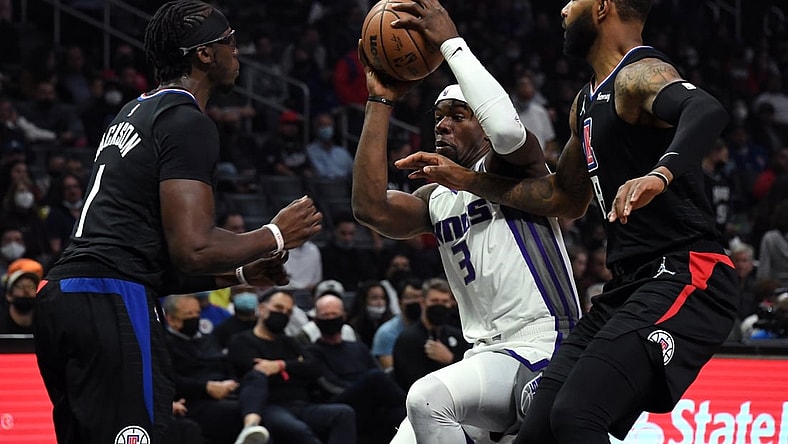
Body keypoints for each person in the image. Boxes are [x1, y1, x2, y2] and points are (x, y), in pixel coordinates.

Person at [394, 1, 740, 442]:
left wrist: (660, 173)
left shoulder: (639, 73)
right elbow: (563, 198)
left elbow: (705, 109)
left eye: (572, 0)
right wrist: (466, 180)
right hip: (627, 285)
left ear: (601, 7)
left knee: (577, 415)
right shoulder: (586, 101)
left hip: (687, 272)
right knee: (542, 425)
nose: (560, 10)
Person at [33, 2, 323, 443]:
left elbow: (151, 258)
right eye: (229, 40)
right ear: (203, 54)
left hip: (66, 296)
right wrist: (275, 233)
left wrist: (241, 271)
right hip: (111, 300)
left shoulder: (135, 111)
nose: (237, 50)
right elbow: (194, 248)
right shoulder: (187, 121)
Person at [352, 1, 580, 441]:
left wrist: (452, 44)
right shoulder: (435, 198)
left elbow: (510, 133)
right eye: (438, 118)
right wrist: (380, 100)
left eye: (458, 116)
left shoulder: (519, 169)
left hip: (545, 343)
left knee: (426, 399)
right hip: (486, 354)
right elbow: (370, 209)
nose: (443, 126)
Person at [227, 289, 357, 444]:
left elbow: (314, 367)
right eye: (278, 308)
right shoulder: (242, 341)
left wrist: (280, 366)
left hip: (302, 404)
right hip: (270, 406)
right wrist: (297, 368)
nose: (283, 314)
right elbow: (256, 374)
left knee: (343, 413)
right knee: (298, 430)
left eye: (288, 312)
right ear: (262, 309)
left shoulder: (289, 342)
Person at [163, 294, 270, 444]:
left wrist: (231, 382)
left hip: (226, 390)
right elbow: (169, 380)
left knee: (256, 376)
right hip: (196, 400)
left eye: (197, 313)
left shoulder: (208, 339)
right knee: (244, 411)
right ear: (171, 319)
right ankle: (250, 426)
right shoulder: (163, 344)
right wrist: (206, 388)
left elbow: (226, 365)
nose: (195, 317)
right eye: (189, 314)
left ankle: (250, 425)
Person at [307, 294, 407, 444]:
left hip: (370, 401)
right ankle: (414, 405)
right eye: (325, 315)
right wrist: (364, 389)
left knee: (400, 414)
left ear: (343, 316)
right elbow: (329, 385)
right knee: (374, 378)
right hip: (339, 401)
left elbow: (381, 375)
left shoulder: (358, 348)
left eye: (334, 314)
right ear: (316, 321)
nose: (330, 319)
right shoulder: (312, 352)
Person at [391, 278, 469, 391]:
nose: (440, 306)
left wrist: (450, 360)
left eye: (444, 302)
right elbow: (414, 383)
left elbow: (467, 376)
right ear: (423, 302)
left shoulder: (458, 335)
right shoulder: (408, 339)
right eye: (434, 301)